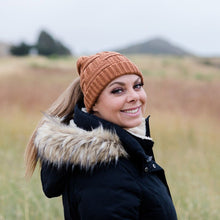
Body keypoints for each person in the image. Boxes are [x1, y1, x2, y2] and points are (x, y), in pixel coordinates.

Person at [25, 51, 177, 220]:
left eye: (137, 85)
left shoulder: (124, 153)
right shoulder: (105, 172)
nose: (134, 96)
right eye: (118, 90)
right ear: (94, 103)